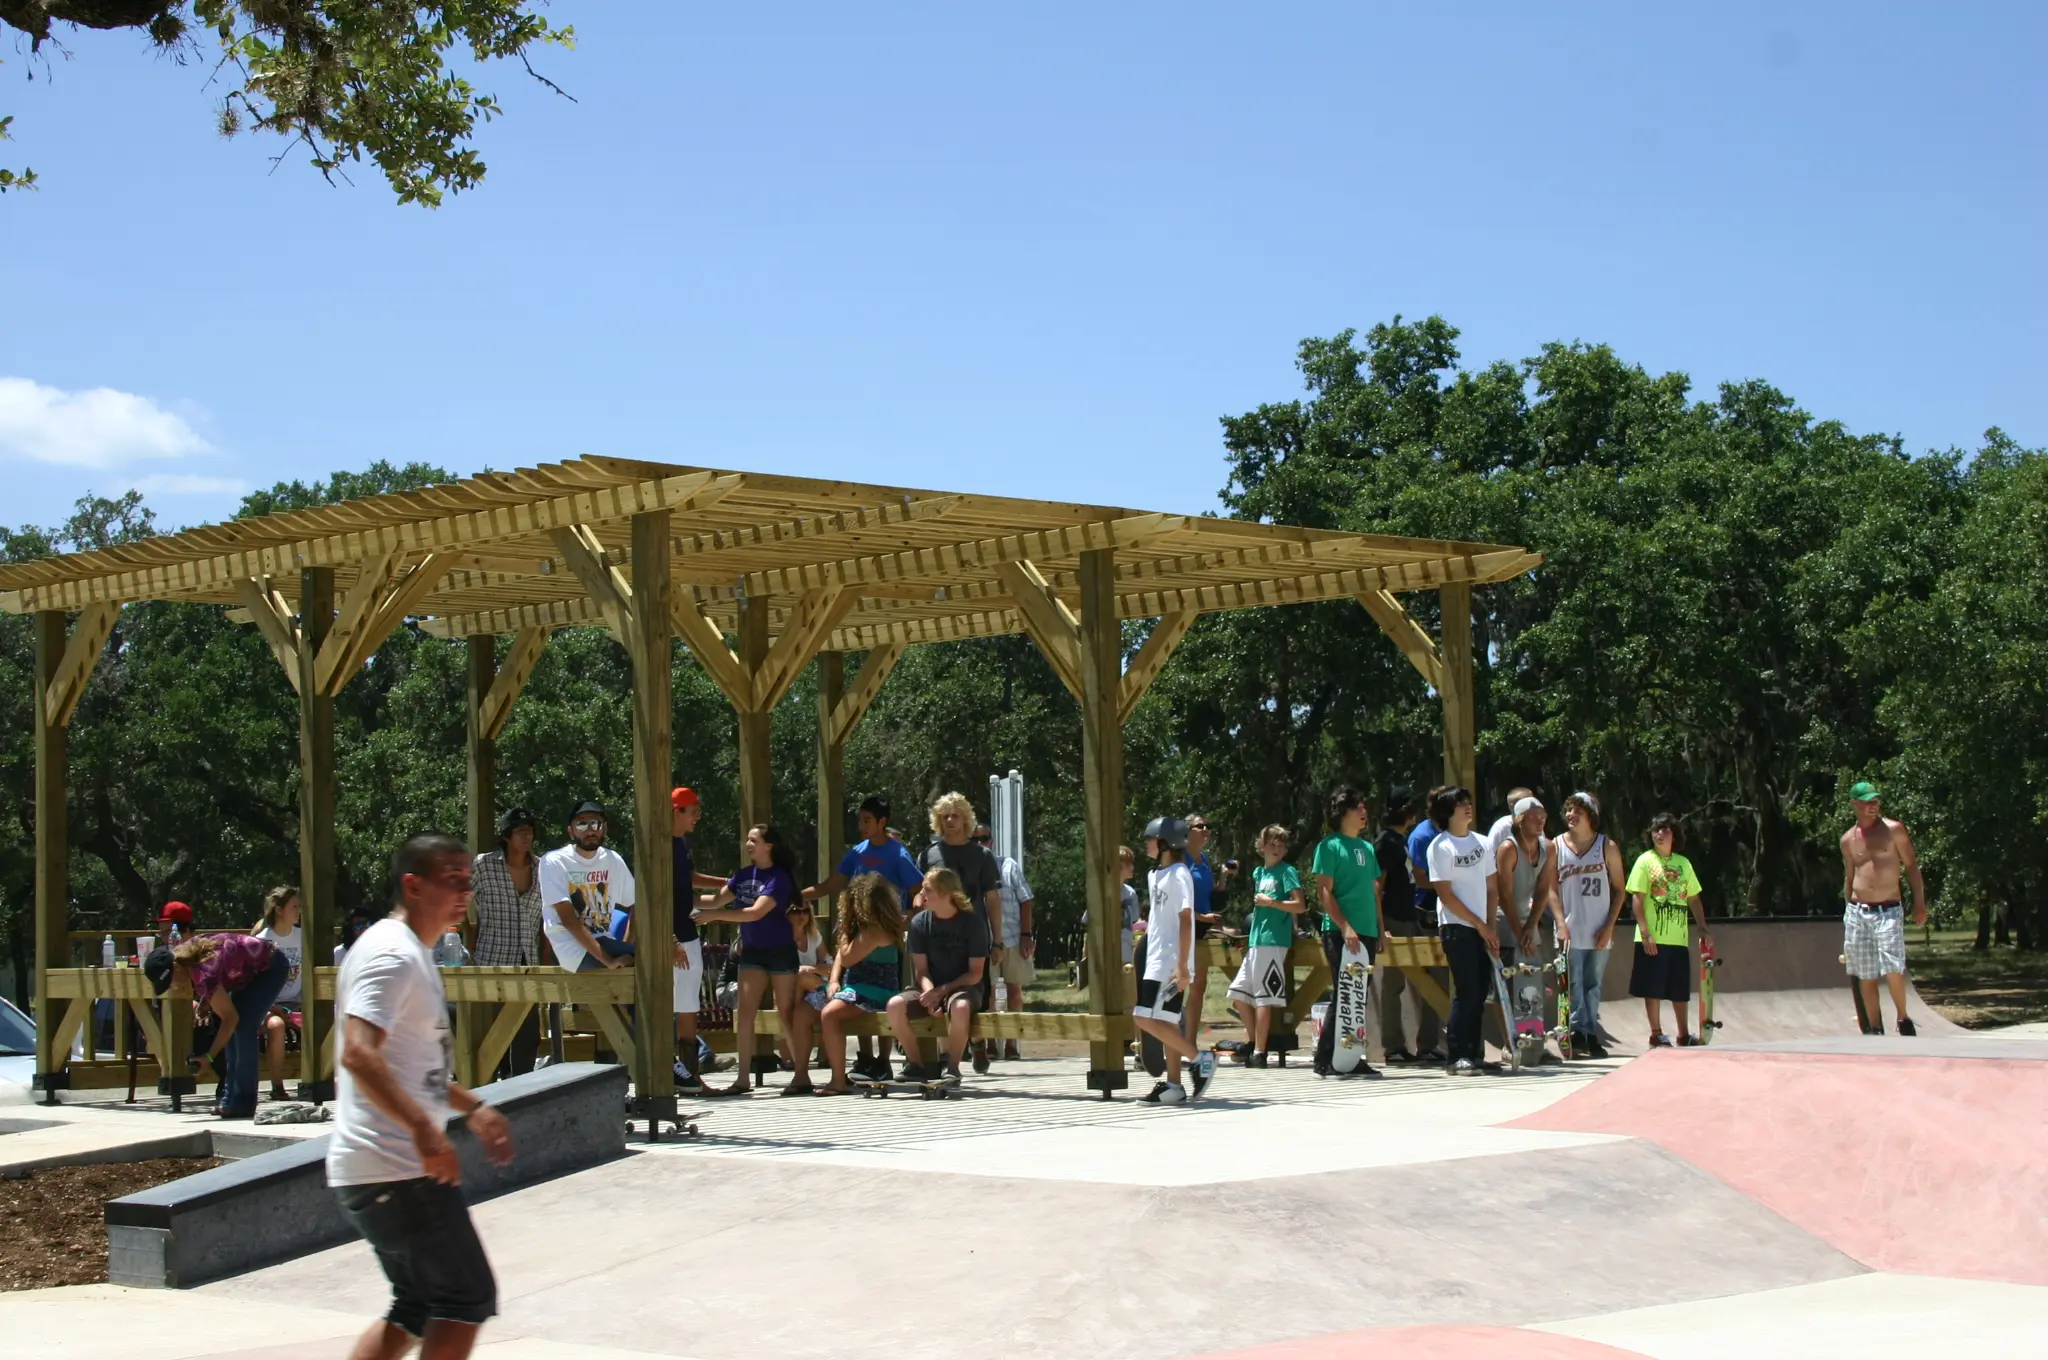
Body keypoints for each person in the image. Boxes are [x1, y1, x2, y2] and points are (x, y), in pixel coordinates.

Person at [329, 832, 515, 1360]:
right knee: (465, 1297)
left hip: (380, 1167)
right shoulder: (392, 954)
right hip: (397, 1166)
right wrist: (422, 1130)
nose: (464, 892)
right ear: (413, 885)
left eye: (467, 880)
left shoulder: (413, 952)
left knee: (417, 1305)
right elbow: (360, 1054)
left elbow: (414, 1068)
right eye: (450, 880)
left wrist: (471, 1107)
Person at [801, 795, 927, 1079]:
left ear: (883, 823)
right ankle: (865, 1058)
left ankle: (883, 1060)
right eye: (860, 820)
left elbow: (918, 891)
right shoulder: (857, 852)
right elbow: (833, 884)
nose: (861, 825)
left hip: (884, 935)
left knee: (882, 992)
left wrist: (904, 922)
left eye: (867, 820)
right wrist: (800, 894)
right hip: (857, 931)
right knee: (854, 986)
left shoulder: (898, 854)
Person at [696, 824, 801, 1096]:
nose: (748, 844)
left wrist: (716, 917)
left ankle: (802, 1075)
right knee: (744, 1015)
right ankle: (743, 1079)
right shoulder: (742, 875)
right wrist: (684, 900)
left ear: (769, 846)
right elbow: (716, 900)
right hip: (752, 952)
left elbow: (756, 913)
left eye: (754, 840)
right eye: (748, 839)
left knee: (786, 1014)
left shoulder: (780, 877)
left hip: (780, 950)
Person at [144, 929, 289, 1119]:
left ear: (176, 967)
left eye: (170, 982)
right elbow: (222, 971)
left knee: (243, 1026)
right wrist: (206, 1002)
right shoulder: (189, 958)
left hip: (271, 967)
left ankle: (244, 1102)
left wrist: (209, 1057)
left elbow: (230, 1018)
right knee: (235, 1027)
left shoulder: (203, 972)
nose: (173, 987)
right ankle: (229, 1099)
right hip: (248, 974)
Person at [919, 792, 1003, 1072]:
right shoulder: (929, 854)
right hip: (936, 938)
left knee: (974, 995)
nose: (950, 820)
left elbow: (992, 899)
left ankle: (977, 1044)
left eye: (956, 815)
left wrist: (998, 941)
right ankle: (946, 1060)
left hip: (973, 936)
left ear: (966, 819)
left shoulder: (982, 855)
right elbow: (920, 895)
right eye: (945, 816)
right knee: (937, 997)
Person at [1133, 817, 1215, 1103]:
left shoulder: (1180, 874)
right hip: (1155, 958)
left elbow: (1186, 921)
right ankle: (1174, 1086)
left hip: (1171, 962)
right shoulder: (1155, 874)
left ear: (1165, 842)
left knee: (1143, 1017)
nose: (1146, 842)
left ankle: (1200, 1060)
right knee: (1165, 1024)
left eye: (1150, 838)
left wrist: (1182, 966)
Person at [1839, 781, 1929, 1036]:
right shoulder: (1848, 839)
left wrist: (1919, 903)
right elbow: (1849, 876)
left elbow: (1911, 866)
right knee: (1865, 972)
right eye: (1867, 801)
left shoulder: (1893, 830)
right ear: (1855, 803)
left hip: (1888, 908)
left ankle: (1903, 1018)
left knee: (1892, 966)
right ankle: (1874, 1026)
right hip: (1858, 909)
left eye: (1876, 801)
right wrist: (1848, 911)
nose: (1873, 805)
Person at [887, 867, 989, 1085]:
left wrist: (942, 991)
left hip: (964, 987)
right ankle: (916, 1064)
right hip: (929, 986)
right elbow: (921, 971)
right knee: (894, 1005)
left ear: (945, 893)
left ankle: (951, 1067)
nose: (920, 895)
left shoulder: (973, 924)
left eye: (926, 889)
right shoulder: (919, 923)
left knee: (960, 1008)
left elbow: (975, 973)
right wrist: (930, 993)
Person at [662, 787, 732, 1094]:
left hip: (689, 935)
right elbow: (655, 897)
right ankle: (665, 1073)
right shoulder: (660, 847)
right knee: (665, 1007)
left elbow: (688, 880)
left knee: (688, 1006)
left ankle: (692, 1078)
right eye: (693, 812)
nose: (698, 818)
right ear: (676, 811)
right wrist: (670, 939)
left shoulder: (681, 844)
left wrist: (728, 884)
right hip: (670, 940)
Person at [1311, 787, 1383, 1079]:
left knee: (1359, 998)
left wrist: (1380, 929)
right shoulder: (1329, 846)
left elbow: (1374, 891)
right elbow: (1324, 891)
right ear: (1343, 812)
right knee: (1344, 996)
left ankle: (1351, 1058)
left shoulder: (1367, 848)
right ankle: (1325, 1060)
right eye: (1358, 807)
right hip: (1341, 932)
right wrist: (1345, 926)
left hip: (1367, 931)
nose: (1364, 811)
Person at [1427, 786, 1498, 1076]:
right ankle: (1457, 1055)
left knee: (1481, 991)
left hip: (1482, 927)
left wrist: (1490, 926)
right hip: (1457, 927)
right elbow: (1446, 895)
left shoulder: (1483, 842)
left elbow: (1492, 888)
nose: (1467, 807)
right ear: (1447, 812)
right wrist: (1478, 924)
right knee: (1466, 990)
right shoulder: (1440, 847)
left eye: (1468, 802)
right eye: (1460, 804)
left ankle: (1475, 1053)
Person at [1624, 813, 1713, 1047]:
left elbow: (1693, 898)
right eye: (1655, 830)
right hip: (1652, 937)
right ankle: (1656, 1033)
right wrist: (1645, 933)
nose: (1659, 834)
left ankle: (1683, 1035)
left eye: (1664, 830)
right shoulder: (1645, 861)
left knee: (1679, 989)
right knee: (1652, 987)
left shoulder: (1683, 863)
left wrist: (1703, 927)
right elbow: (1637, 899)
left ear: (1674, 835)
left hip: (1678, 939)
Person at [814, 873, 907, 1095]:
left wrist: (845, 928)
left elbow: (846, 957)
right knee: (810, 1008)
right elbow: (840, 957)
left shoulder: (874, 931)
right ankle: (868, 1062)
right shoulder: (870, 928)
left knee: (829, 1014)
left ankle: (837, 1080)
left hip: (874, 992)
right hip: (858, 989)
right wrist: (834, 980)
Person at [470, 808, 545, 1077]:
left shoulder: (542, 868)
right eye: (520, 831)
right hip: (493, 960)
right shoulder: (483, 865)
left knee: (528, 1036)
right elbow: (458, 900)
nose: (527, 837)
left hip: (529, 964)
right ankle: (492, 1091)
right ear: (506, 836)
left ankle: (522, 1090)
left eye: (530, 831)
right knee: (493, 1035)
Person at [1555, 792, 1627, 1059]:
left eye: (1578, 811)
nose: (1571, 815)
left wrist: (1609, 926)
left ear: (1591, 816)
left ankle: (1589, 1032)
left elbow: (1620, 889)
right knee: (1571, 983)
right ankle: (1575, 1032)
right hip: (1569, 930)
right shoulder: (1556, 846)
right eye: (1569, 810)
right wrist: (1560, 923)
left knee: (1592, 983)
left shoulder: (1606, 846)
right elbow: (1550, 889)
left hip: (1598, 929)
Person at [1374, 792, 1441, 1064]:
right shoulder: (1385, 842)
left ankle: (1428, 1044)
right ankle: (1393, 1046)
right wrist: (1381, 928)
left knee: (1429, 978)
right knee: (1393, 983)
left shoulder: (1402, 841)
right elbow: (1377, 886)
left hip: (1411, 916)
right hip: (1392, 919)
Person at [1228, 825, 1303, 1067]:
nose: (1277, 849)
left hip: (1274, 940)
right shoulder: (1259, 873)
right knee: (1238, 993)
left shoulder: (1287, 871)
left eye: (1282, 845)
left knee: (1263, 997)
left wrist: (1272, 902)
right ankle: (1254, 1042)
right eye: (1273, 844)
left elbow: (1299, 905)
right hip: (1256, 939)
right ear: (1262, 846)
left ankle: (1260, 1051)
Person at [538, 801, 635, 974]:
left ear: (604, 829)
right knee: (657, 956)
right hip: (573, 950)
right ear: (571, 831)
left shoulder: (613, 860)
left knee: (655, 959)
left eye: (596, 823)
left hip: (605, 943)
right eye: (582, 824)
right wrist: (610, 961)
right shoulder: (554, 861)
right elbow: (569, 921)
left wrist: (626, 944)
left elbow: (638, 904)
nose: (590, 830)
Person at [976, 823, 1036, 1060]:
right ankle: (991, 1044)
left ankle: (1012, 1045)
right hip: (983, 941)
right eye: (974, 840)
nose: (980, 843)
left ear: (991, 840)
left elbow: (1026, 900)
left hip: (1012, 937)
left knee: (1014, 992)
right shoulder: (969, 870)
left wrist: (1026, 935)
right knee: (988, 994)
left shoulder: (1008, 865)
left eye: (984, 838)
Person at [1181, 813, 1234, 1050]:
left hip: (1203, 927)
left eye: (1207, 826)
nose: (1205, 829)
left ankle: (1189, 1043)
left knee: (1198, 986)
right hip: (1183, 928)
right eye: (1199, 826)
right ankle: (1169, 1043)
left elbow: (1209, 896)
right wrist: (1203, 917)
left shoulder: (1203, 860)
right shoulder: (1178, 860)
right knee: (1175, 986)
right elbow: (1177, 902)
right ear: (1187, 831)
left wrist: (1223, 878)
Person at [1494, 797, 1559, 971]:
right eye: (1533, 817)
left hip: (1528, 919)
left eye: (1542, 816)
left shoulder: (1549, 848)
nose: (1540, 821)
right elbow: (1504, 895)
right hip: (1505, 918)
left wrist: (1530, 926)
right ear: (1519, 820)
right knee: (1509, 982)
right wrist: (1520, 933)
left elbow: (1543, 889)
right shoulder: (1508, 849)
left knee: (1533, 982)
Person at [253, 885, 305, 1102]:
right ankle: (277, 1085)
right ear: (279, 910)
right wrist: (272, 1007)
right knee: (277, 1026)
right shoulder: (263, 940)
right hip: (268, 1004)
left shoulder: (303, 937)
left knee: (327, 1020)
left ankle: (320, 1080)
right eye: (294, 906)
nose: (298, 911)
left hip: (298, 1002)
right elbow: (254, 983)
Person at [779, 901, 831, 1094]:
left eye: (805, 911)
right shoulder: (781, 939)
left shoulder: (814, 937)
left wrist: (814, 969)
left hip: (814, 990)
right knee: (798, 978)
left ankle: (803, 1070)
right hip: (791, 994)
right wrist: (815, 969)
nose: (801, 914)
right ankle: (801, 1072)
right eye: (795, 910)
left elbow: (829, 964)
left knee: (801, 977)